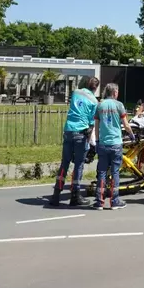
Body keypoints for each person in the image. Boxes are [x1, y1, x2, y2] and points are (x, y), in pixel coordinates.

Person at [49, 77, 100, 207]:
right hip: (81, 133)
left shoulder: (76, 93)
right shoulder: (94, 101)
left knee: (64, 163)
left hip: (68, 130)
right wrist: (90, 143)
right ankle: (75, 196)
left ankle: (56, 194)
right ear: (95, 88)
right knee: (78, 165)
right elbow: (91, 123)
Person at [93, 83, 135, 210]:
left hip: (103, 143)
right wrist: (132, 135)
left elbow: (96, 125)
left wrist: (97, 140)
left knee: (102, 172)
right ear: (115, 92)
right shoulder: (119, 105)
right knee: (115, 172)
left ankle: (99, 201)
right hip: (116, 143)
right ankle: (114, 200)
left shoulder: (100, 105)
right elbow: (126, 125)